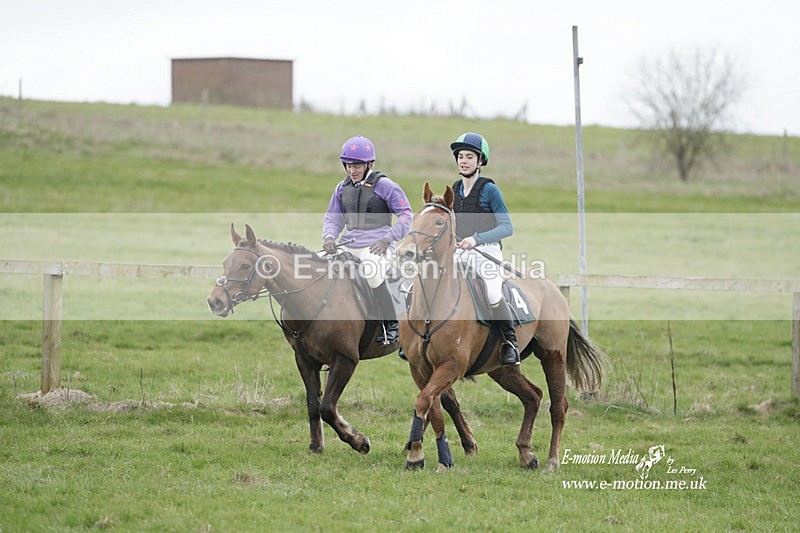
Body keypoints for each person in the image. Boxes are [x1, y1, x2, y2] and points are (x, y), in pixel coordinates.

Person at [322, 135, 412, 344]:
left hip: (377, 246)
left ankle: (392, 324)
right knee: (318, 265)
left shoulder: (386, 186)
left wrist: (387, 239)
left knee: (371, 271)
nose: (352, 170)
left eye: (357, 166)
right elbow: (332, 219)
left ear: (369, 164)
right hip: (348, 245)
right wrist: (328, 238)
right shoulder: (341, 188)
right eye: (349, 165)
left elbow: (407, 216)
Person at [449, 132, 520, 366]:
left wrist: (476, 239)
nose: (463, 160)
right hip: (460, 253)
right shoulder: (455, 189)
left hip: (487, 252)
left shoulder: (490, 190)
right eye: (460, 156)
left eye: (469, 156)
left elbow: (507, 227)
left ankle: (510, 343)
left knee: (492, 291)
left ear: (480, 161)